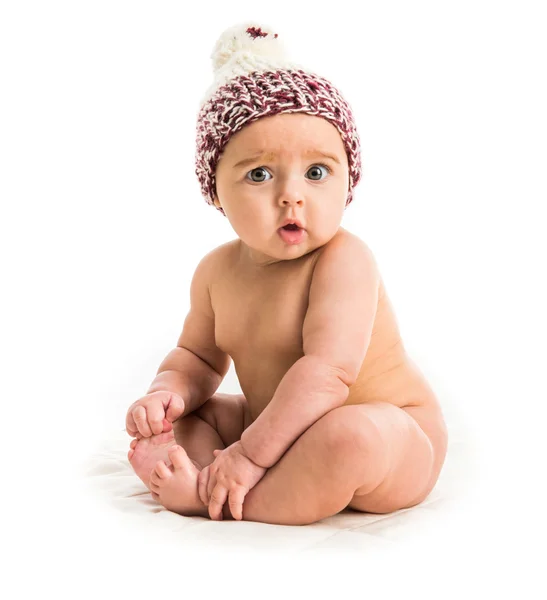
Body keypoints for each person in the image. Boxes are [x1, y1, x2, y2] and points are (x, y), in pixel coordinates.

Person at [125, 21, 448, 525]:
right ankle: (204, 472)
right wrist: (168, 392)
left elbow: (328, 375)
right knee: (199, 415)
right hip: (277, 426)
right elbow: (197, 357)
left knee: (348, 435)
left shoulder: (345, 260)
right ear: (214, 191)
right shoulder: (215, 272)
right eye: (259, 174)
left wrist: (250, 455)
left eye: (317, 172)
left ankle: (226, 497)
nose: (291, 195)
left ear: (348, 180)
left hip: (394, 441)